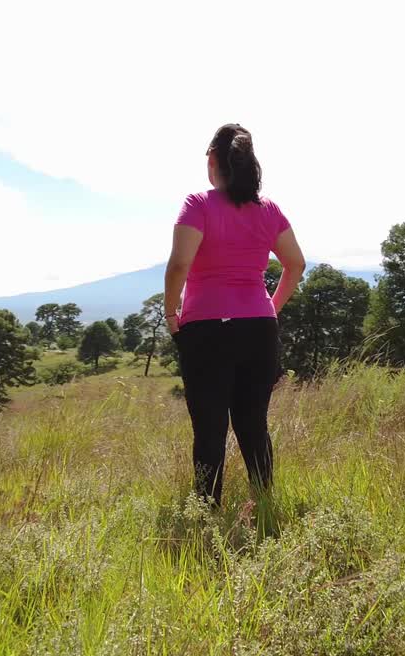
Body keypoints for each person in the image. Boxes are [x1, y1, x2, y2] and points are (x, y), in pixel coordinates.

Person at [164, 123, 306, 505]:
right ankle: (264, 505)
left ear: (212, 160)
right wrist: (269, 310)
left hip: (206, 330)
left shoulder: (198, 204)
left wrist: (170, 313)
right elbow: (296, 265)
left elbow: (179, 265)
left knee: (210, 428)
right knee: (253, 425)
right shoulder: (269, 210)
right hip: (258, 330)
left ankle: (207, 516)